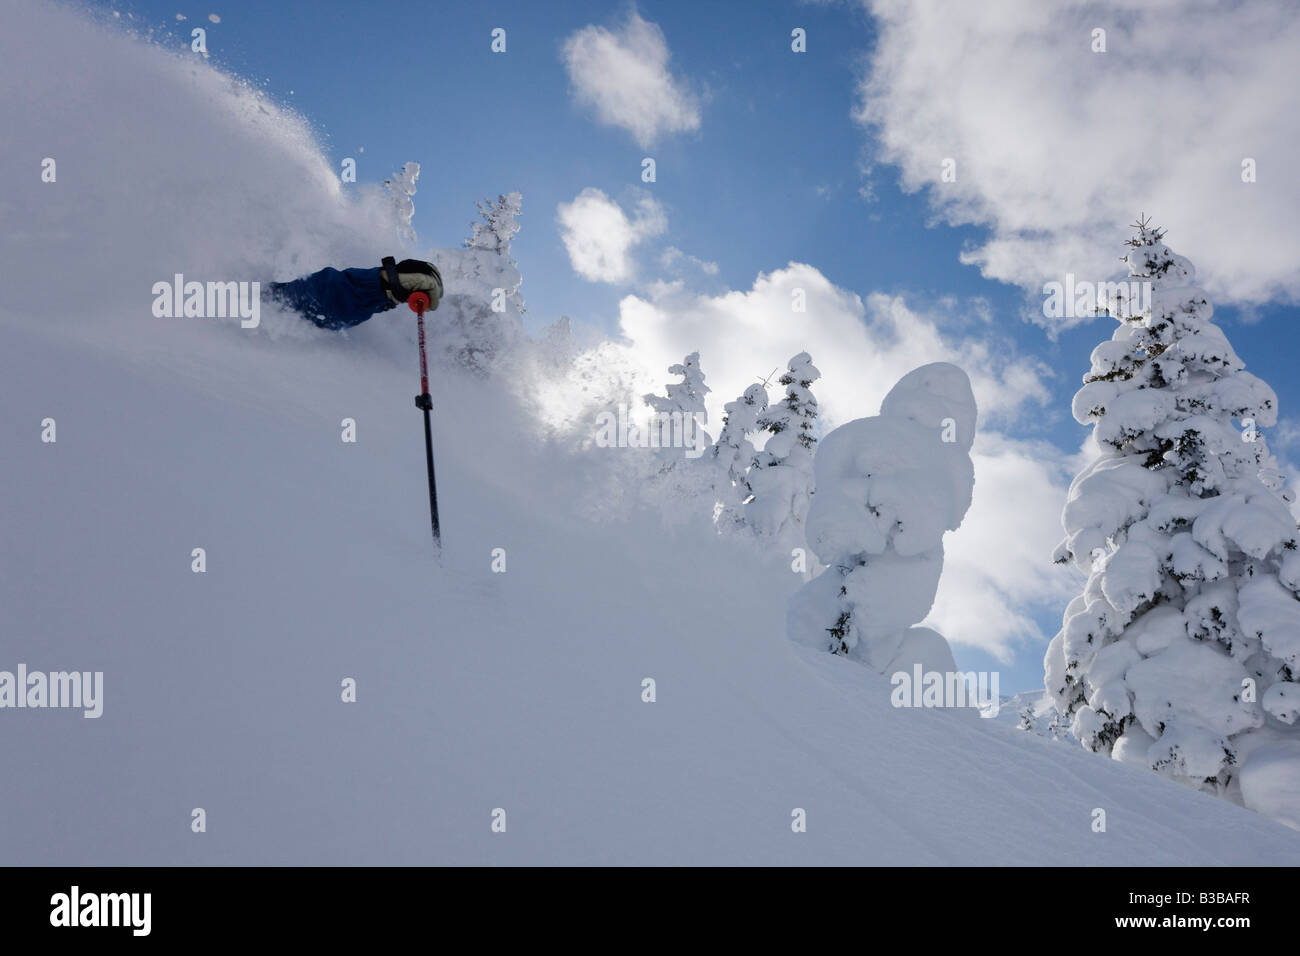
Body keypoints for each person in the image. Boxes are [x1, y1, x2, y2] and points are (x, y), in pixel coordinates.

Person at [267, 256, 442, 330]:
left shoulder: (363, 312)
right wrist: (380, 285)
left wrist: (381, 290)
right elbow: (324, 297)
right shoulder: (252, 300)